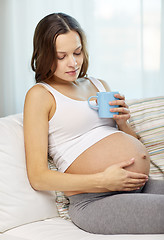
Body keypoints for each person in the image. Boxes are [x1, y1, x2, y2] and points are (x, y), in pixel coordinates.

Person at [23, 12, 164, 234]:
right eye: (61, 56)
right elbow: (38, 177)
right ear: (44, 55)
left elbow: (131, 144)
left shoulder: (99, 84)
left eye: (77, 52)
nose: (73, 63)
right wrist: (103, 180)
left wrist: (123, 123)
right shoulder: (40, 95)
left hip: (137, 185)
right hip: (94, 200)